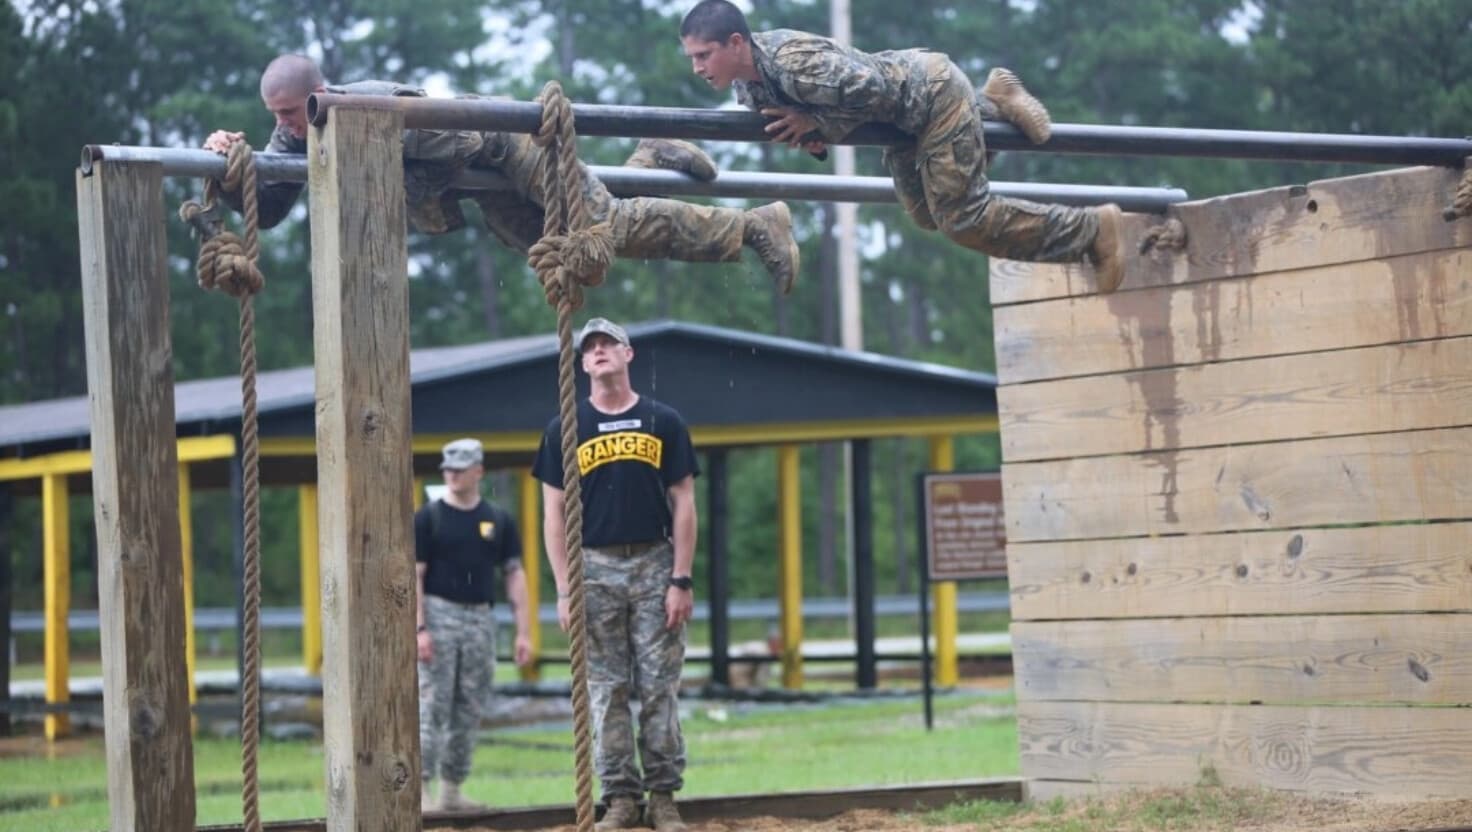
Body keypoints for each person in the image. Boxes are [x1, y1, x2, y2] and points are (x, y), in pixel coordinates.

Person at [203, 54, 800, 294]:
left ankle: (753, 225)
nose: (288, 128)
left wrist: (391, 176)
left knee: (600, 227)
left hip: (510, 149)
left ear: (320, 94)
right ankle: (649, 159)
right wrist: (235, 171)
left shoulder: (378, 107)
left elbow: (463, 141)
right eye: (277, 119)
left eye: (292, 113)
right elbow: (273, 208)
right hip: (482, 190)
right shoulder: (296, 133)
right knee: (559, 241)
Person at [678, 0, 1127, 293]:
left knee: (962, 218)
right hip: (901, 126)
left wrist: (816, 120)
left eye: (704, 56)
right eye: (691, 59)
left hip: (929, 97)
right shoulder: (750, 87)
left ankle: (1092, 231)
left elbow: (875, 91)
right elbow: (831, 115)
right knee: (926, 214)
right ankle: (991, 103)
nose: (697, 68)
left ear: (736, 43)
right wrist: (812, 135)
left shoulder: (793, 66)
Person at [532, 318, 698, 832]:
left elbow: (685, 502)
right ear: (581, 364)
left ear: (628, 354)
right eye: (591, 348)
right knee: (605, 690)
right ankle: (620, 797)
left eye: (608, 344)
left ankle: (664, 796)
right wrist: (563, 589)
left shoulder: (662, 420)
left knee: (659, 686)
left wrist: (681, 578)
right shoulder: (564, 427)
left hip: (653, 562)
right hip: (594, 568)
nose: (599, 352)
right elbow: (553, 516)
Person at [415, 438, 534, 812]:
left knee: (469, 706)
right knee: (431, 704)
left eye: (460, 469)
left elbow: (514, 573)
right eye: (448, 469)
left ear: (478, 471)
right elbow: (414, 576)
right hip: (439, 613)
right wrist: (420, 629)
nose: (452, 475)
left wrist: (524, 630)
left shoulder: (497, 520)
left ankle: (452, 787)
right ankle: (419, 790)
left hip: (480, 617)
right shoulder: (428, 517)